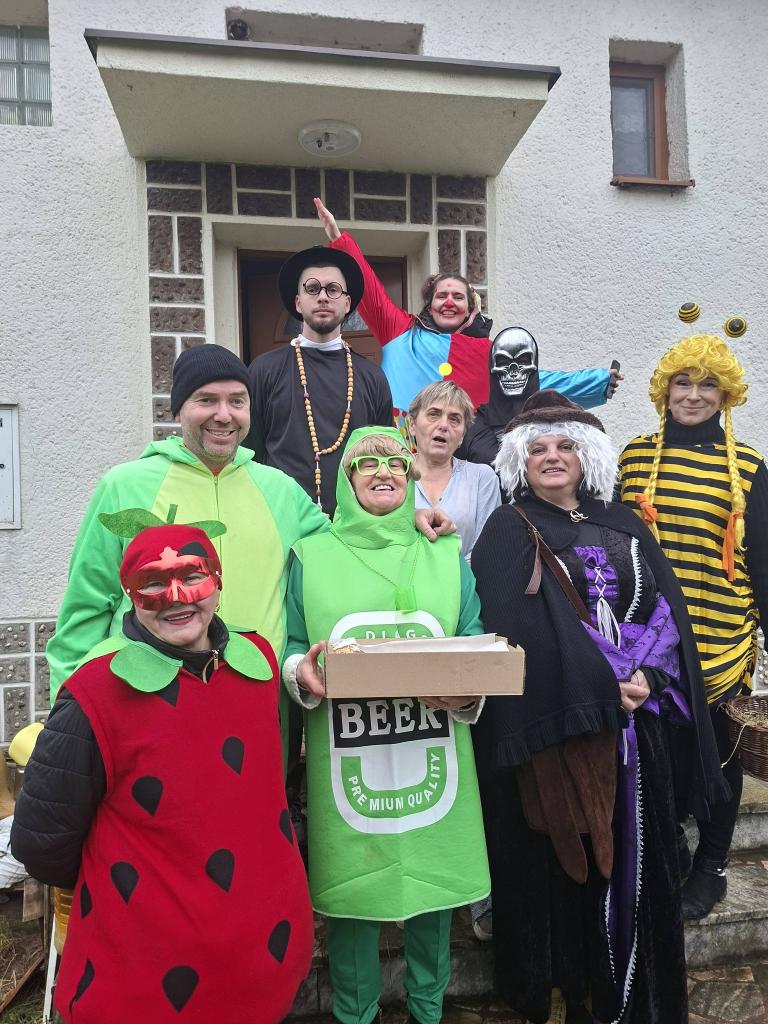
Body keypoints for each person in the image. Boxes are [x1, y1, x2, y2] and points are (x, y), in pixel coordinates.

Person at [471, 390, 726, 1024]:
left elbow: (665, 610)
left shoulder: (624, 521)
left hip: (641, 730)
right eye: (537, 449)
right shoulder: (508, 528)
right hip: (563, 732)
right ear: (520, 461)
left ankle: (638, 997)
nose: (551, 457)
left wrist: (648, 674)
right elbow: (513, 627)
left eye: (565, 446)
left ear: (586, 455)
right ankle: (577, 995)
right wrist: (600, 686)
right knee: (573, 867)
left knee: (639, 863)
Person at [11, 523, 314, 1023]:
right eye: (152, 583)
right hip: (142, 981)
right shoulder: (93, 694)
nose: (175, 597)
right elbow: (42, 842)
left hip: (262, 963)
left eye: (192, 577)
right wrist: (136, 888)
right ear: (130, 595)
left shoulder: (257, 661)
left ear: (217, 581)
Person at [46, 343, 452, 704]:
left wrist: (402, 519)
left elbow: (345, 542)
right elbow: (86, 606)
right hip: (148, 698)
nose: (224, 415)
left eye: (237, 401)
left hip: (259, 699)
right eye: (207, 400)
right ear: (179, 409)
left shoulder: (279, 489)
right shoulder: (124, 485)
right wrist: (69, 713)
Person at [282, 426, 490, 1024]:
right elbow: (290, 643)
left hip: (434, 751)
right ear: (346, 480)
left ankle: (429, 1011)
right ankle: (357, 1015)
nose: (383, 473)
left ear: (411, 476)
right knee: (354, 895)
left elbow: (473, 635)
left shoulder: (444, 553)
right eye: (366, 464)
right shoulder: (310, 557)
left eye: (395, 464)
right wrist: (301, 671)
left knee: (432, 890)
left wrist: (468, 688)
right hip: (349, 758)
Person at [618, 330, 768, 919]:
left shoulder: (749, 468)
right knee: (662, 754)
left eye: (708, 385)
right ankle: (674, 853)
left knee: (719, 758)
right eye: (683, 382)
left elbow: (763, 559)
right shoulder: (634, 457)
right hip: (650, 643)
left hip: (721, 636)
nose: (694, 395)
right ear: (666, 390)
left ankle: (712, 867)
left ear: (725, 395)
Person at [313, 197, 620, 429]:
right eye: (441, 295)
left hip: (462, 460)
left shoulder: (488, 352)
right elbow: (369, 289)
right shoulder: (401, 330)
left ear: (470, 308)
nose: (449, 302)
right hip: (399, 457)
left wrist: (597, 382)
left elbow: (536, 381)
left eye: (458, 297)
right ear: (430, 304)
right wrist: (339, 239)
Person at [245, 245, 394, 513]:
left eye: (333, 289)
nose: (323, 297)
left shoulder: (372, 377)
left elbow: (384, 458)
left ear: (347, 303)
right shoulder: (263, 370)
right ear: (298, 302)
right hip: (282, 518)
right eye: (312, 289)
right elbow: (249, 455)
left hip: (355, 523)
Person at [410, 380, 501, 562]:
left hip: (463, 579)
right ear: (412, 425)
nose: (444, 425)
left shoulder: (482, 478)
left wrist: (450, 575)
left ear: (462, 436)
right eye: (434, 414)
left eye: (454, 419)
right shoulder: (391, 475)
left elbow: (486, 549)